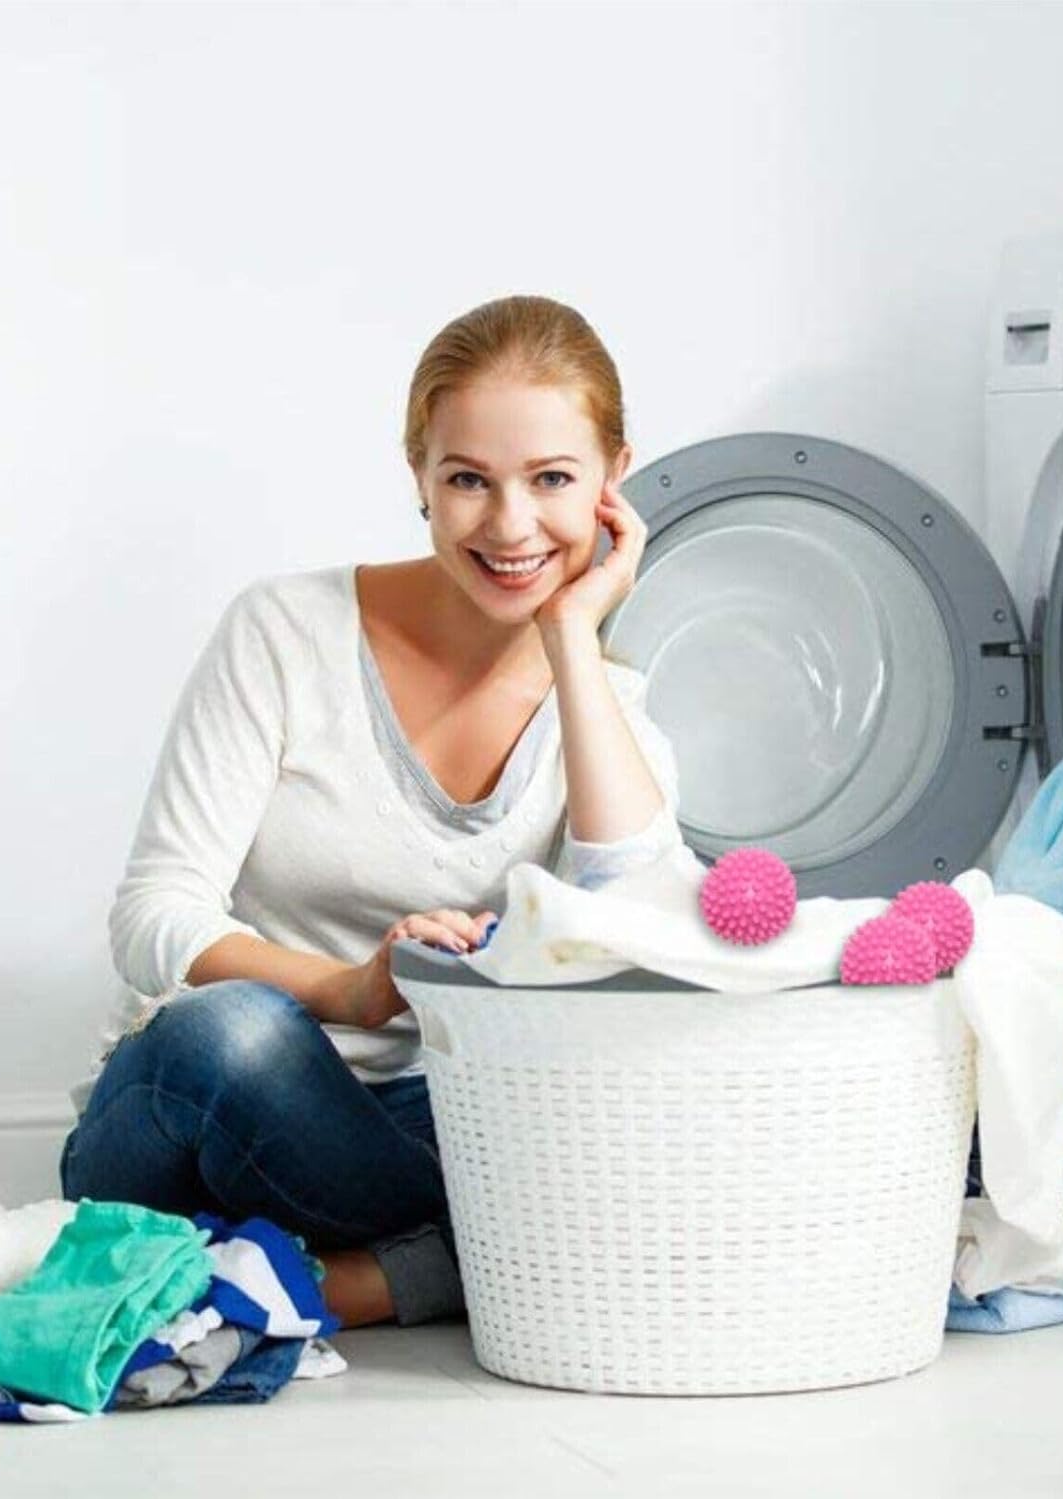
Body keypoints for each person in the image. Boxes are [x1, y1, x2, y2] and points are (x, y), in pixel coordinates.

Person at [59, 295, 685, 1328]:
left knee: (654, 1110)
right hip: (207, 1101)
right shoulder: (284, 631)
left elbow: (642, 924)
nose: (511, 525)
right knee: (234, 1031)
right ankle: (447, 1265)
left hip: (433, 1122)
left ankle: (288, 1278)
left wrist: (574, 635)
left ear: (614, 476)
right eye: (468, 479)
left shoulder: (607, 711)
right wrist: (351, 990)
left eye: (553, 480)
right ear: (419, 475)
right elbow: (152, 915)